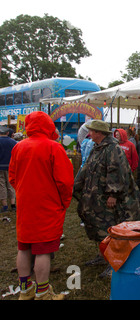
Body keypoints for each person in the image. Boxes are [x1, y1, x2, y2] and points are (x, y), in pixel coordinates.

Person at [9, 111, 74, 300]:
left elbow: (12, 177)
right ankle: (43, 293)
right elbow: (65, 182)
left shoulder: (18, 147)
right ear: (48, 126)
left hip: (25, 206)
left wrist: (24, 192)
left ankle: (25, 290)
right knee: (43, 251)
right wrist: (63, 203)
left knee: (24, 248)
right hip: (47, 206)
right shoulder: (54, 147)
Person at [73, 120, 140, 272]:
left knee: (109, 228)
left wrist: (113, 194)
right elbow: (87, 167)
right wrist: (77, 185)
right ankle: (103, 254)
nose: (90, 134)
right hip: (96, 197)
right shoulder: (97, 147)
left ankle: (113, 260)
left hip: (109, 199)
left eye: (92, 131)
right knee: (97, 226)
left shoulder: (113, 149)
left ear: (99, 133)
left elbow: (116, 171)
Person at [0, 126, 17, 213]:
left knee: (2, 186)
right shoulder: (13, 142)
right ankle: (13, 204)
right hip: (11, 167)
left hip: (0, 167)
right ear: (8, 133)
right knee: (11, 185)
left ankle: (4, 205)